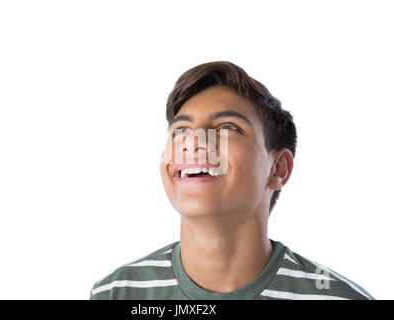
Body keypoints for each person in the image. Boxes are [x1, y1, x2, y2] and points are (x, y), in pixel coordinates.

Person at [90, 61, 374, 300]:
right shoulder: (115, 293)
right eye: (180, 131)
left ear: (278, 169)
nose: (193, 143)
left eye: (227, 128)